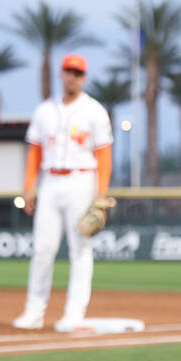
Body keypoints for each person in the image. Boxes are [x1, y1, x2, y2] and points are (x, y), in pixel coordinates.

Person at [12, 53, 113, 331]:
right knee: (43, 249)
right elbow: (35, 152)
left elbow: (104, 155)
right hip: (50, 181)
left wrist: (101, 194)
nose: (73, 76)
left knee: (80, 249)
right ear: (61, 74)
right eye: (69, 71)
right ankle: (34, 312)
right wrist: (29, 186)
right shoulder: (45, 110)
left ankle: (74, 313)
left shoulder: (94, 111)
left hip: (82, 179)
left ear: (84, 77)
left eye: (78, 73)